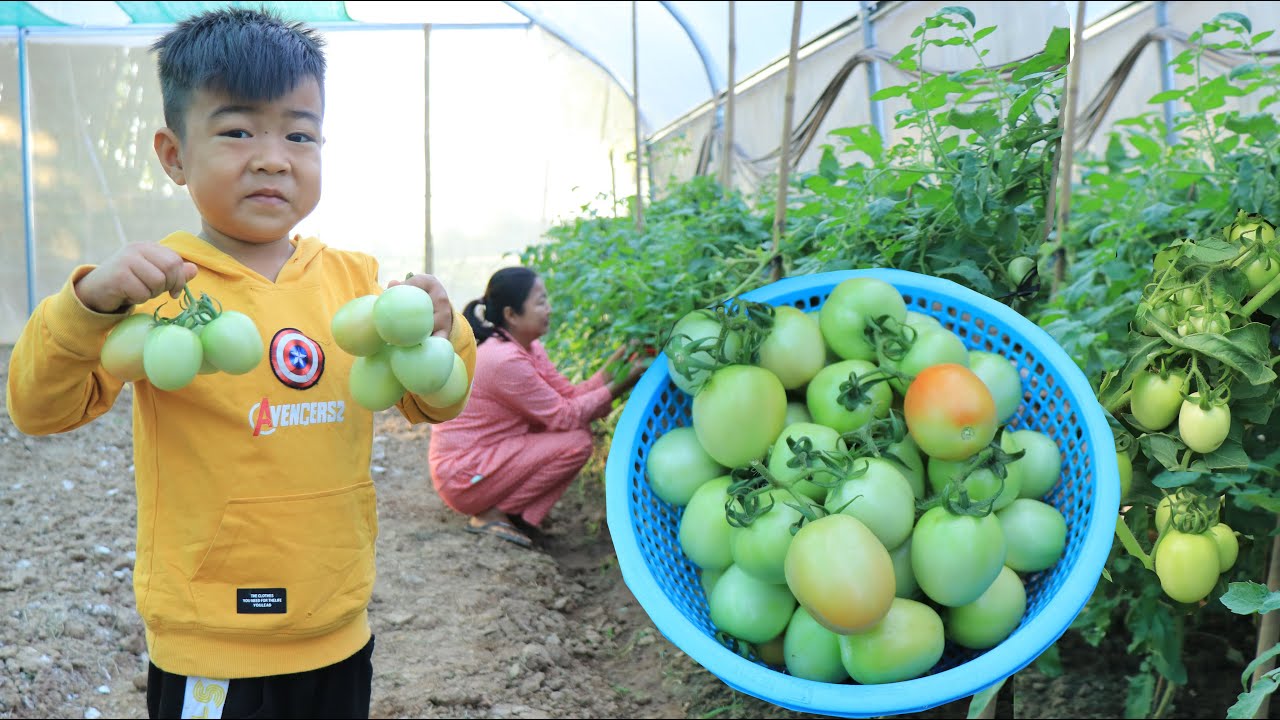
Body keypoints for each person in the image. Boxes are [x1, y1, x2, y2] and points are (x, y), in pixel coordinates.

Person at [4, 8, 476, 720]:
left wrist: (442, 332)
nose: (272, 157)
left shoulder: (357, 283)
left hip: (337, 624)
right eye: (236, 131)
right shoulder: (155, 287)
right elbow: (40, 410)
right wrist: (86, 307)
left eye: (299, 133)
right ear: (173, 155)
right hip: (212, 640)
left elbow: (436, 404)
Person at [427, 266, 647, 549]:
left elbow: (568, 395)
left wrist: (618, 363)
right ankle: (494, 514)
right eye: (541, 302)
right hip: (463, 475)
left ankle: (514, 516)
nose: (549, 308)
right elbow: (565, 416)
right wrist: (622, 383)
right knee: (576, 441)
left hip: (486, 460)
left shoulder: (526, 347)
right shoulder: (504, 360)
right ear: (511, 314)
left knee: (570, 433)